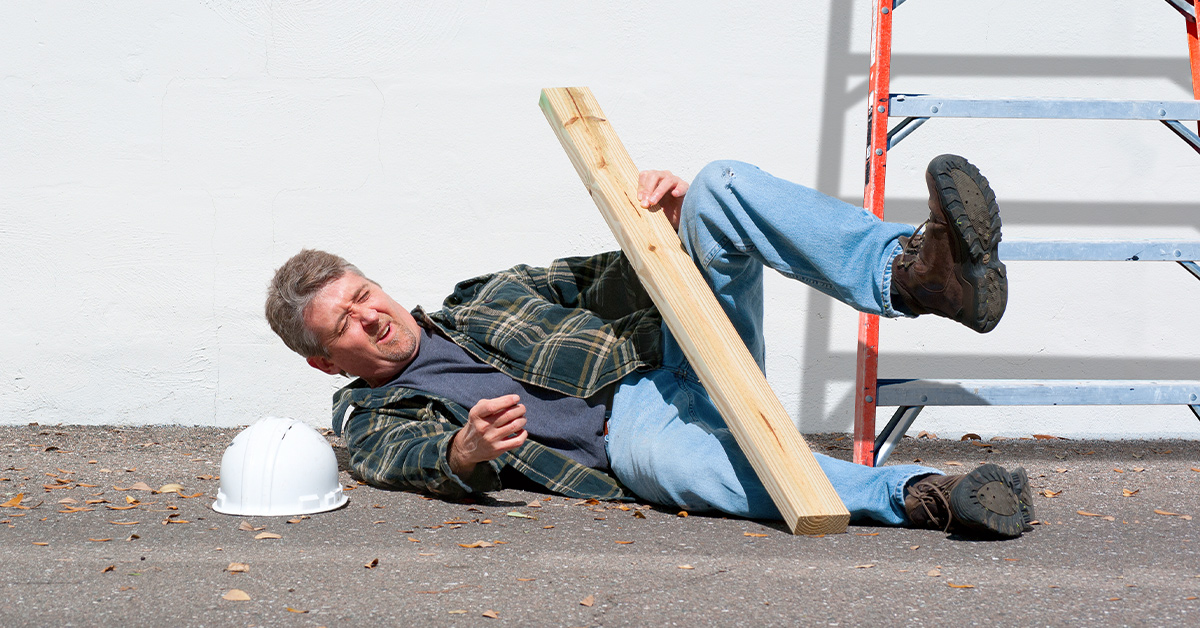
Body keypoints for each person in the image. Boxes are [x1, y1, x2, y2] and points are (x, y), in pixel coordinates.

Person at [266, 155, 1033, 538]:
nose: (369, 318)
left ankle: (917, 276)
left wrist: (665, 229)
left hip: (678, 353)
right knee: (672, 464)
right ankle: (922, 495)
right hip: (630, 433)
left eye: (363, 295)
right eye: (343, 326)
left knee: (717, 186)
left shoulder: (484, 296)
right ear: (324, 359)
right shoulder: (369, 411)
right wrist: (462, 455)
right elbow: (398, 459)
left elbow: (613, 275)